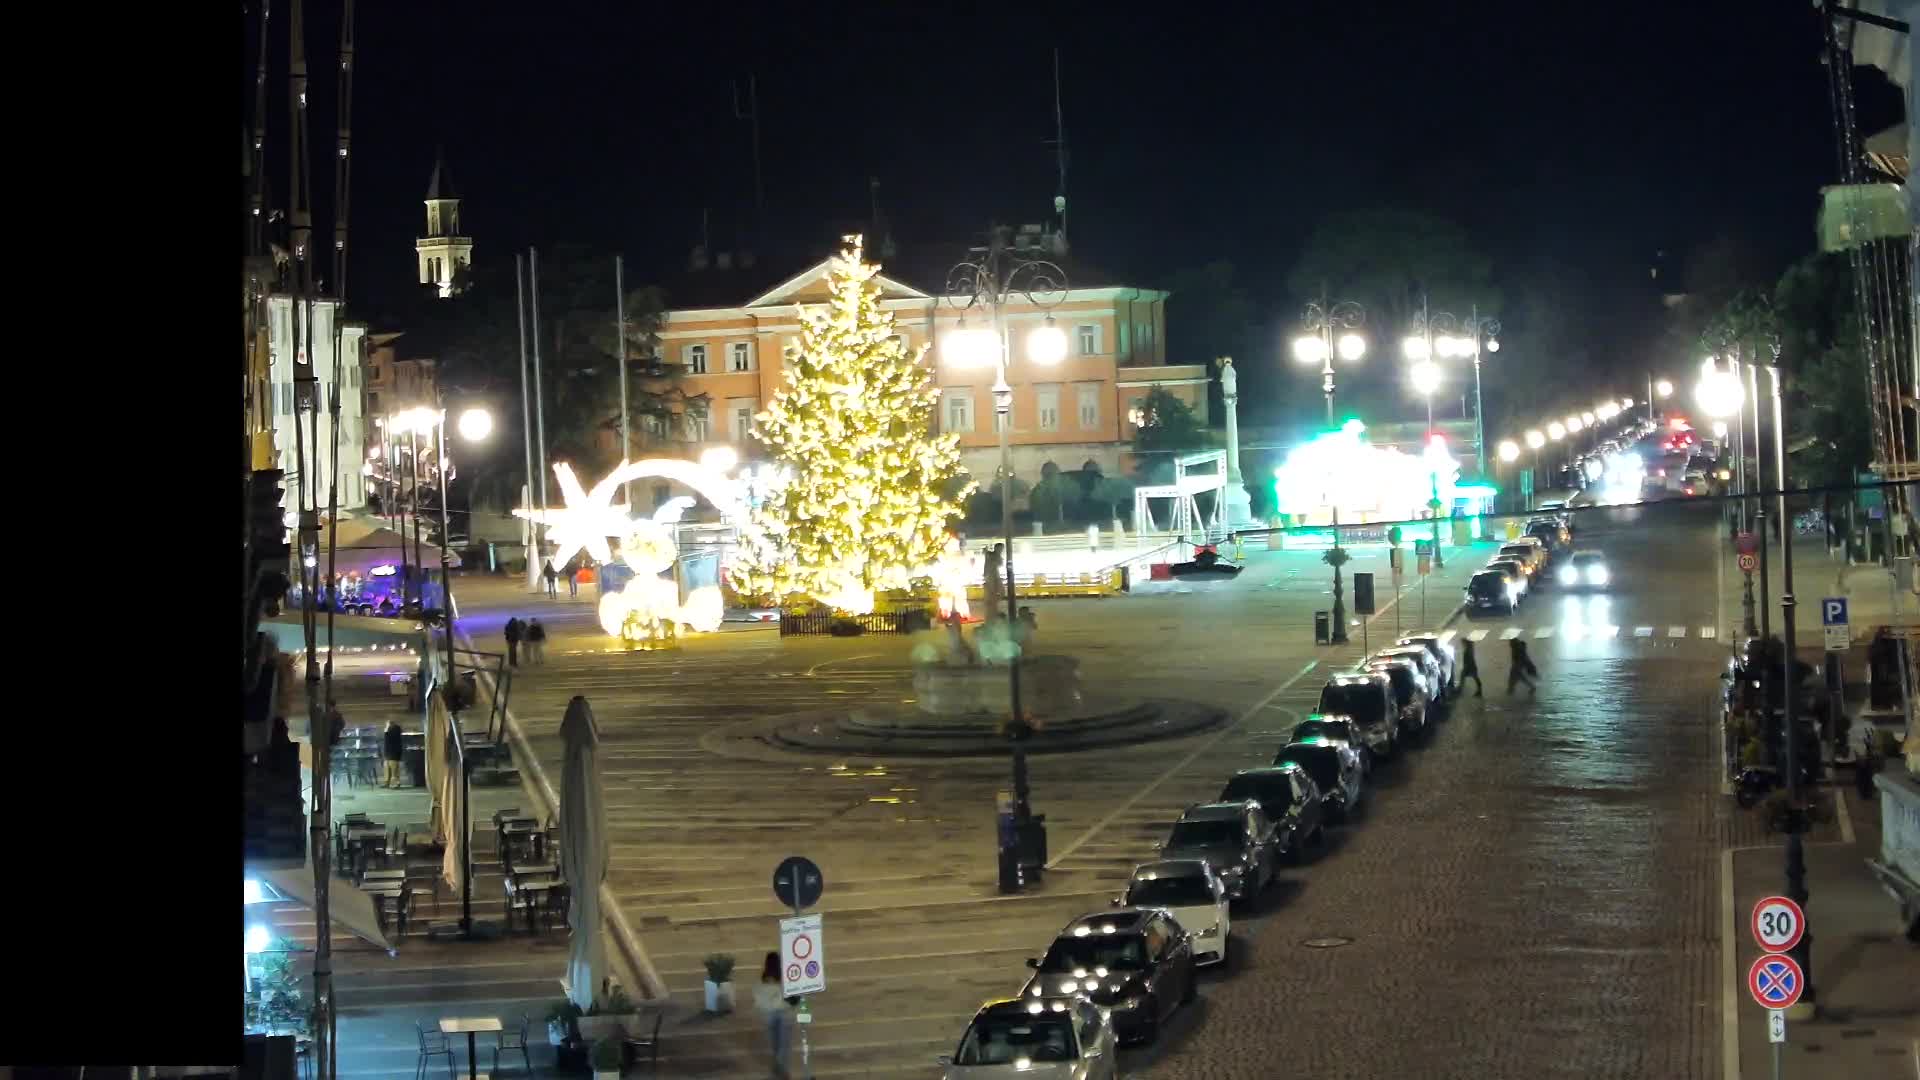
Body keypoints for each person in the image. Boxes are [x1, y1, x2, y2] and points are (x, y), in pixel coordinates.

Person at [753, 951, 794, 1079]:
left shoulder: (762, 980)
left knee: (775, 1043)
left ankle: (778, 1066)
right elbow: (792, 999)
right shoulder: (785, 978)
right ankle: (782, 1068)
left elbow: (758, 1000)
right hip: (784, 1014)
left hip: (769, 1015)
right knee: (784, 1044)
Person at [382, 718, 405, 788]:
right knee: (387, 768)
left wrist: (386, 730)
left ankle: (396, 783)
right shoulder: (389, 731)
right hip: (388, 753)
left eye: (388, 724)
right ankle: (387, 782)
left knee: (394, 769)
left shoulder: (395, 731)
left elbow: (388, 739)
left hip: (393, 753)